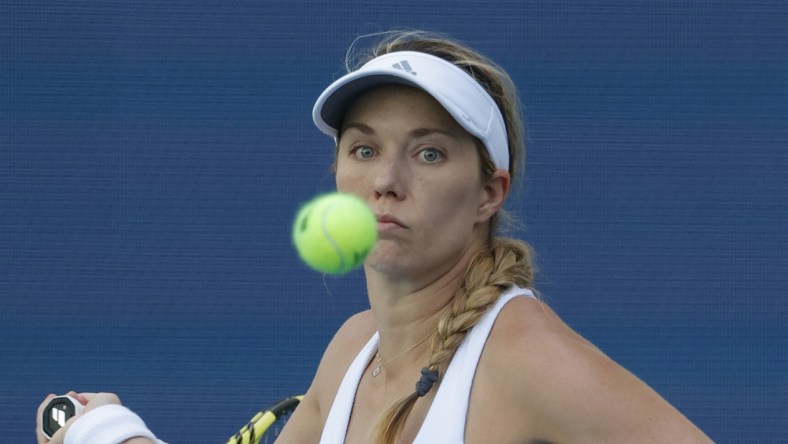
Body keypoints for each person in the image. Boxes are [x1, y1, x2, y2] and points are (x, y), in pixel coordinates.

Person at [37, 30, 712, 444]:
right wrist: (104, 433)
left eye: (428, 154)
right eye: (363, 150)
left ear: (489, 193)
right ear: (335, 173)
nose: (386, 180)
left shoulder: (524, 356)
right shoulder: (353, 349)